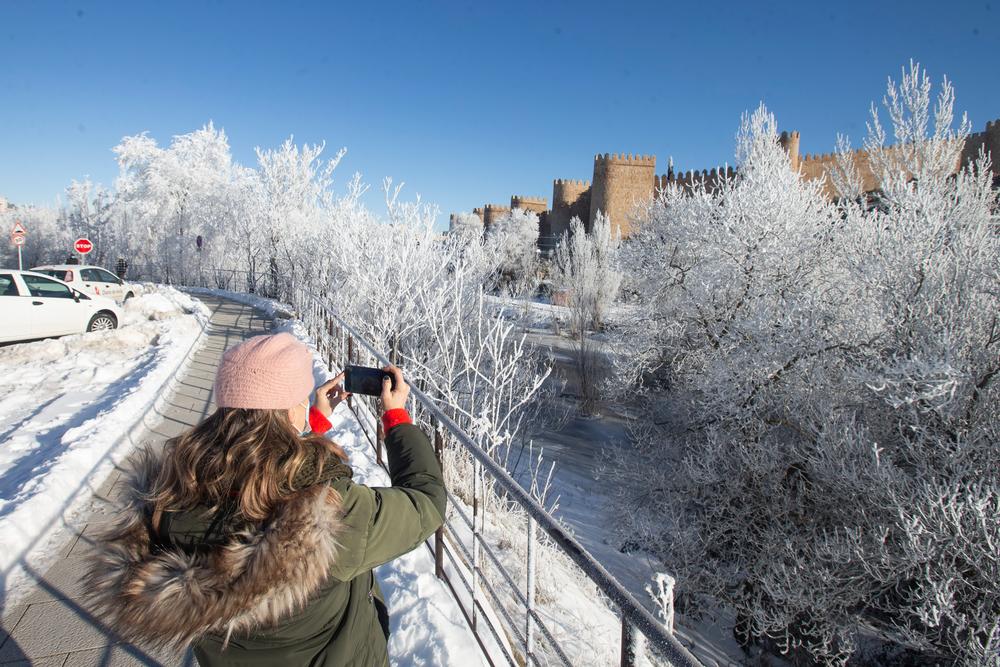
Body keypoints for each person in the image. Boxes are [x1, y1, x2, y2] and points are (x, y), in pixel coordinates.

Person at [83, 332, 446, 666]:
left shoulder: (170, 497)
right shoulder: (327, 517)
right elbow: (426, 501)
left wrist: (313, 424)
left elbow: (252, 477)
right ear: (290, 411)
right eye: (300, 402)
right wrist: (396, 417)